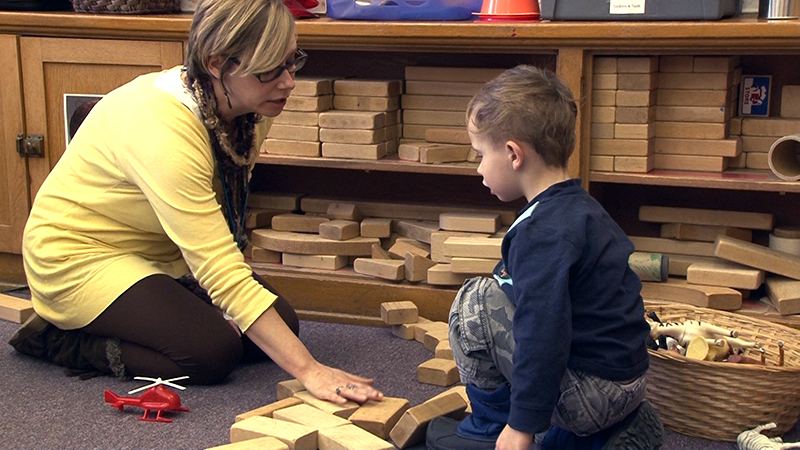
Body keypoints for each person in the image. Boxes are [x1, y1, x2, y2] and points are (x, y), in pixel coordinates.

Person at [9, 0, 383, 406]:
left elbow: (222, 218)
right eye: (270, 69)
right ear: (217, 64)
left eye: (293, 62)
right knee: (211, 354)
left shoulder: (249, 103)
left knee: (281, 325)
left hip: (155, 254)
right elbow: (218, 267)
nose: (288, 82)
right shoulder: (163, 130)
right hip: (78, 256)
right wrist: (311, 371)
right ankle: (57, 338)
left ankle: (151, 311)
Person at [425, 65, 663, 450]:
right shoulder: (584, 209)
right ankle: (601, 436)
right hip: (629, 385)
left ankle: (495, 428)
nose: (479, 168)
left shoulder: (540, 232)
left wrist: (522, 425)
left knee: (476, 299)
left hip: (590, 398)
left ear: (513, 154)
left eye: (481, 154)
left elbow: (544, 331)